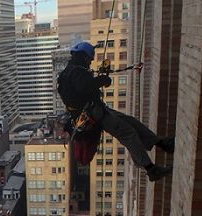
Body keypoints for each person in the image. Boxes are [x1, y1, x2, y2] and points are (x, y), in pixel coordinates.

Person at [58, 41, 174, 181]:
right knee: (127, 133)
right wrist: (102, 80)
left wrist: (100, 80)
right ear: (83, 56)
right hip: (93, 114)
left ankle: (162, 143)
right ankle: (151, 169)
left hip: (95, 110)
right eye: (90, 57)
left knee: (132, 122)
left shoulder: (71, 71)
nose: (92, 60)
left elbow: (83, 88)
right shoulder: (76, 72)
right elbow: (85, 88)